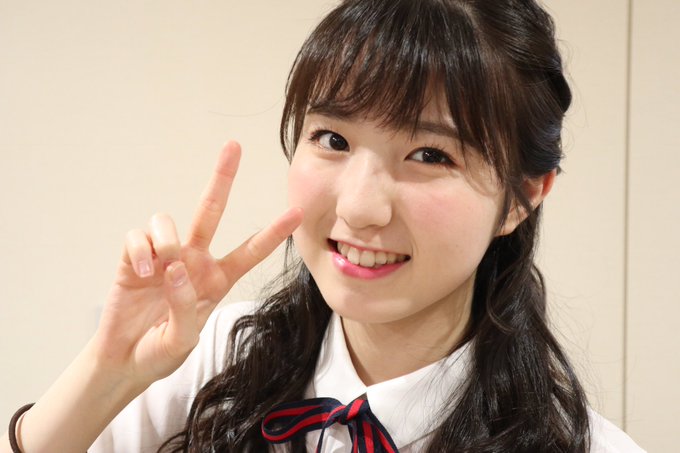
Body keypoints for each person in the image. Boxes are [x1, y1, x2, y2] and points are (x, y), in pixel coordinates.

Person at [2, 0, 645, 451]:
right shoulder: (213, 361)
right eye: (333, 139)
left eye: (430, 155)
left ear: (523, 196)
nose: (360, 207)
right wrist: (109, 371)